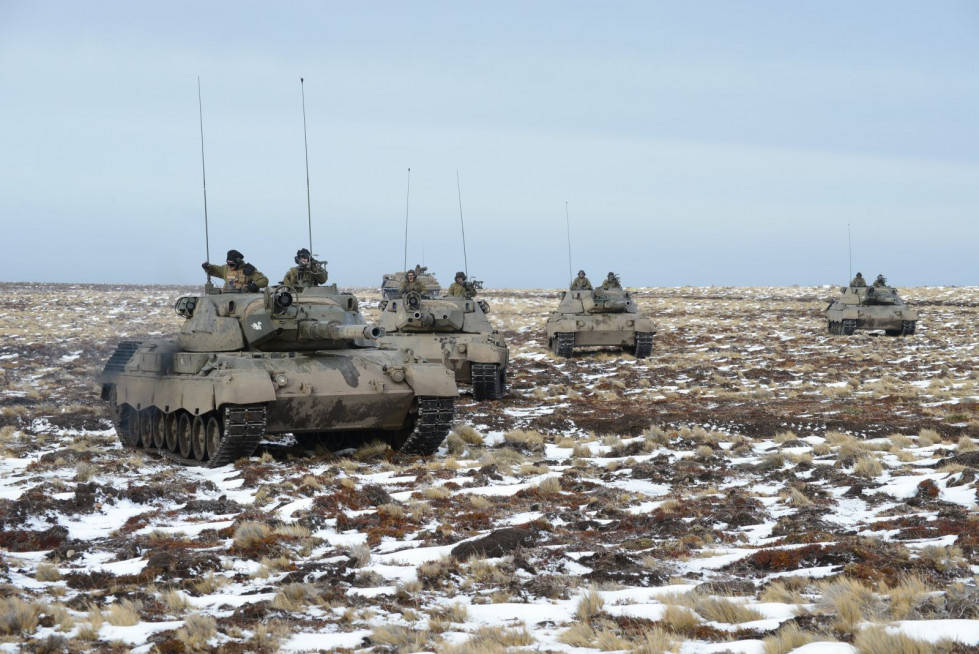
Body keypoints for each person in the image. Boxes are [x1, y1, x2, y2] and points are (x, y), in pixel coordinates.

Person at [202, 250, 268, 291]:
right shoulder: (225, 269)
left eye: (232, 264)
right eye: (228, 264)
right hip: (227, 297)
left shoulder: (248, 269)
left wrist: (254, 285)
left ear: (238, 263)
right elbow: (215, 270)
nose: (230, 267)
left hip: (244, 298)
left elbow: (264, 280)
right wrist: (208, 267)